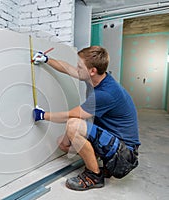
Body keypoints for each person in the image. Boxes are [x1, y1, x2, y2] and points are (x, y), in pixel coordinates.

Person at [32, 46, 140, 191]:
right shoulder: (94, 79)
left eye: (80, 66)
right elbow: (68, 69)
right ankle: (102, 162)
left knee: (73, 125)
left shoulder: (106, 93)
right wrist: (47, 60)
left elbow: (72, 115)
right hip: (114, 142)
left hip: (125, 155)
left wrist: (43, 115)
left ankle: (94, 176)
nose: (77, 69)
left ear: (92, 71)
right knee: (64, 144)